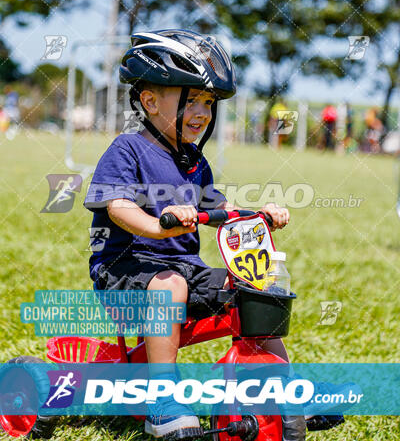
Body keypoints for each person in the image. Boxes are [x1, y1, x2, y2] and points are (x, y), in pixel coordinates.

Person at [84, 29, 340, 440]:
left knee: (255, 287)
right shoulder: (126, 150)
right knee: (167, 284)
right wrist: (157, 224)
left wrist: (259, 218)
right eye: (191, 100)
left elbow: (220, 214)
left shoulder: (194, 162)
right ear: (149, 100)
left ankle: (282, 387)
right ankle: (161, 397)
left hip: (183, 270)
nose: (202, 111)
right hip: (126, 273)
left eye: (208, 102)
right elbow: (116, 205)